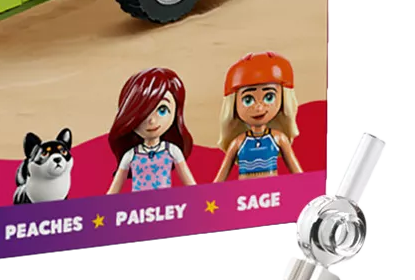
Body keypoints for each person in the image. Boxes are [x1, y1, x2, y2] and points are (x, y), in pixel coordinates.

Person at [213, 52, 301, 180]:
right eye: (248, 100)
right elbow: (220, 178)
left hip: (272, 190)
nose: (259, 108)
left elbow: (297, 173)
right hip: (244, 191)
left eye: (269, 97)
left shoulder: (279, 138)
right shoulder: (238, 142)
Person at [107, 68, 196, 193]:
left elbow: (191, 186)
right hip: (138, 204)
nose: (152, 121)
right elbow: (112, 193)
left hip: (165, 203)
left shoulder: (172, 151)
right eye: (143, 114)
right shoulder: (131, 155)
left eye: (162, 110)